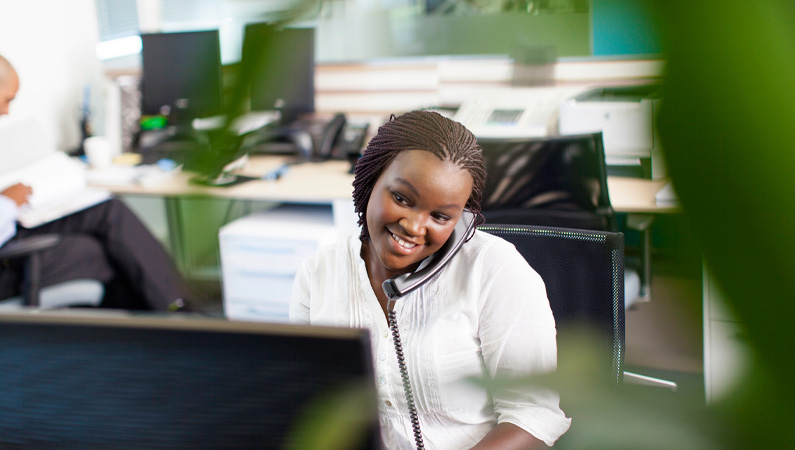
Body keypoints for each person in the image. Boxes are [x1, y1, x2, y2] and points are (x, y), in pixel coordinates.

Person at [290, 110, 571, 449]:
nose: (414, 226)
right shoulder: (318, 272)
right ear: (370, 180)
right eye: (401, 199)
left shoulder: (495, 269)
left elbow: (532, 416)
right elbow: (306, 400)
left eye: (440, 216)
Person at [0, 53, 188, 311]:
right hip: (7, 257)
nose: (6, 111)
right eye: (7, 100)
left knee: (109, 212)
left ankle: (169, 314)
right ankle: (174, 316)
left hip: (14, 227)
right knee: (98, 251)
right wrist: (7, 201)